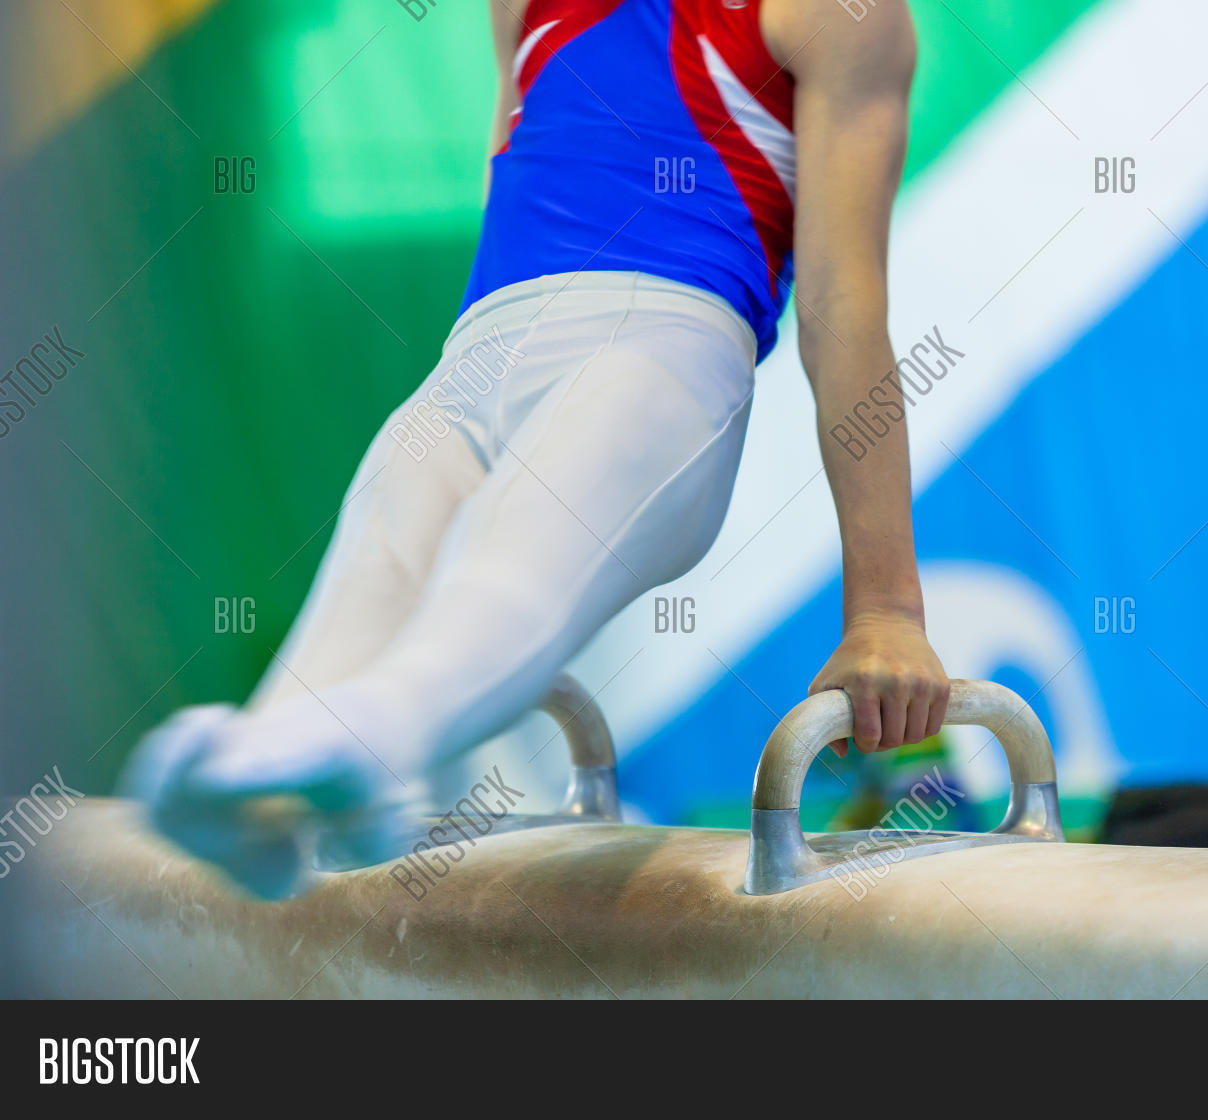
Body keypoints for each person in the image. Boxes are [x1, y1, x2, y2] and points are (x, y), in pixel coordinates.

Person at [127, 0, 950, 899]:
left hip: (663, 346)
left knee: (514, 545)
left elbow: (843, 310)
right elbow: (511, 208)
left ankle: (373, 749)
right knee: (382, 548)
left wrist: (885, 610)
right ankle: (274, 774)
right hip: (480, 354)